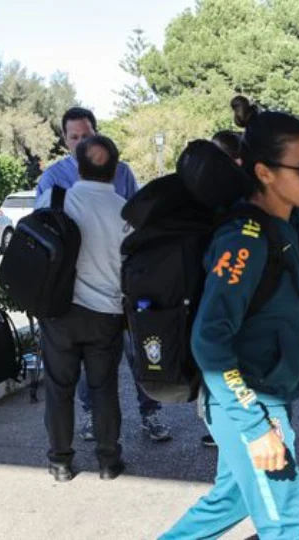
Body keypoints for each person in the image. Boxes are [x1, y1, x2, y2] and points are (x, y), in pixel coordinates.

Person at [159, 96, 299, 540]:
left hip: (268, 391)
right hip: (247, 399)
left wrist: (256, 125)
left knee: (229, 500)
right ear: (264, 173)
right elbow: (209, 341)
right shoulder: (243, 240)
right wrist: (255, 426)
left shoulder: (289, 223)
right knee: (289, 521)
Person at [35, 106, 171, 443]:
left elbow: (136, 224)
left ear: (98, 133)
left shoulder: (121, 172)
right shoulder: (52, 180)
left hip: (122, 284)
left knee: (137, 351)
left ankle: (149, 414)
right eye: (75, 137)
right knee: (88, 369)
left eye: (87, 135)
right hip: (74, 292)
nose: (82, 141)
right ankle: (92, 420)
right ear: (65, 140)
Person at [37, 135, 128, 482]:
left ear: (78, 166)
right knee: (104, 388)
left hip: (60, 311)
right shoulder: (125, 210)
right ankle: (108, 461)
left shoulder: (55, 198)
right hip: (106, 314)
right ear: (116, 168)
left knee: (59, 389)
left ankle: (60, 462)